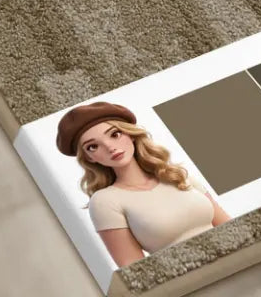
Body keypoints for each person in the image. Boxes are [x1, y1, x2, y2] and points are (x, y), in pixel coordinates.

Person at [56, 101, 231, 268]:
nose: (110, 147)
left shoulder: (177, 175)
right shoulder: (105, 201)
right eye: (93, 146)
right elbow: (137, 273)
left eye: (115, 134)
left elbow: (232, 227)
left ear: (130, 134)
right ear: (89, 158)